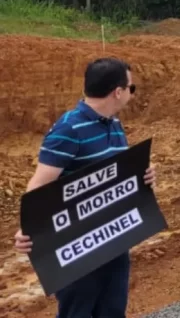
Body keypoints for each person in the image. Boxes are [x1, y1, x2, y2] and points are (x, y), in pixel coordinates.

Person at [13, 58, 155, 318]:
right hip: (77, 248)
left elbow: (114, 174)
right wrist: (28, 227)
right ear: (118, 91)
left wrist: (141, 177)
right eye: (131, 88)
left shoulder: (113, 124)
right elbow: (40, 183)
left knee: (112, 312)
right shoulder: (68, 129)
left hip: (113, 241)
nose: (131, 95)